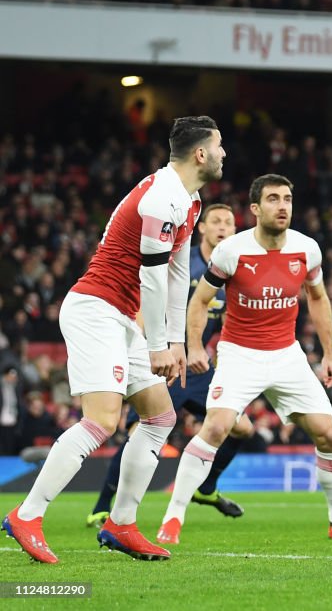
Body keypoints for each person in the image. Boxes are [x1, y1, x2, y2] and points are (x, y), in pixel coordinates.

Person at [2, 116, 225, 564]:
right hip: (95, 310)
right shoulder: (162, 198)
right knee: (102, 420)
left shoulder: (191, 200)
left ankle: (121, 524)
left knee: (160, 417)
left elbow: (180, 273)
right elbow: (152, 275)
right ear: (200, 153)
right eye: (220, 146)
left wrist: (177, 341)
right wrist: (160, 342)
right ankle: (27, 515)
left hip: (123, 318)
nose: (225, 155)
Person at [155, 174, 332, 544]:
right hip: (240, 353)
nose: (283, 205)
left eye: (287, 198)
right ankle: (173, 517)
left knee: (328, 433)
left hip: (287, 354)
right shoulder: (232, 251)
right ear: (255, 209)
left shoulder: (307, 249)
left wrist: (330, 354)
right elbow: (200, 300)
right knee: (216, 427)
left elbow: (318, 299)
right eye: (273, 199)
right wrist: (194, 346)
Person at [86, 203, 253, 528]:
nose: (222, 227)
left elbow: (228, 322)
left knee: (242, 427)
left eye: (228, 223)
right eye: (215, 221)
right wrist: (139, 350)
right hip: (163, 360)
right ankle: (103, 507)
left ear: (235, 231)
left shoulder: (231, 270)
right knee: (139, 434)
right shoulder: (183, 264)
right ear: (201, 228)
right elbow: (146, 302)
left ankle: (206, 488)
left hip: (199, 367)